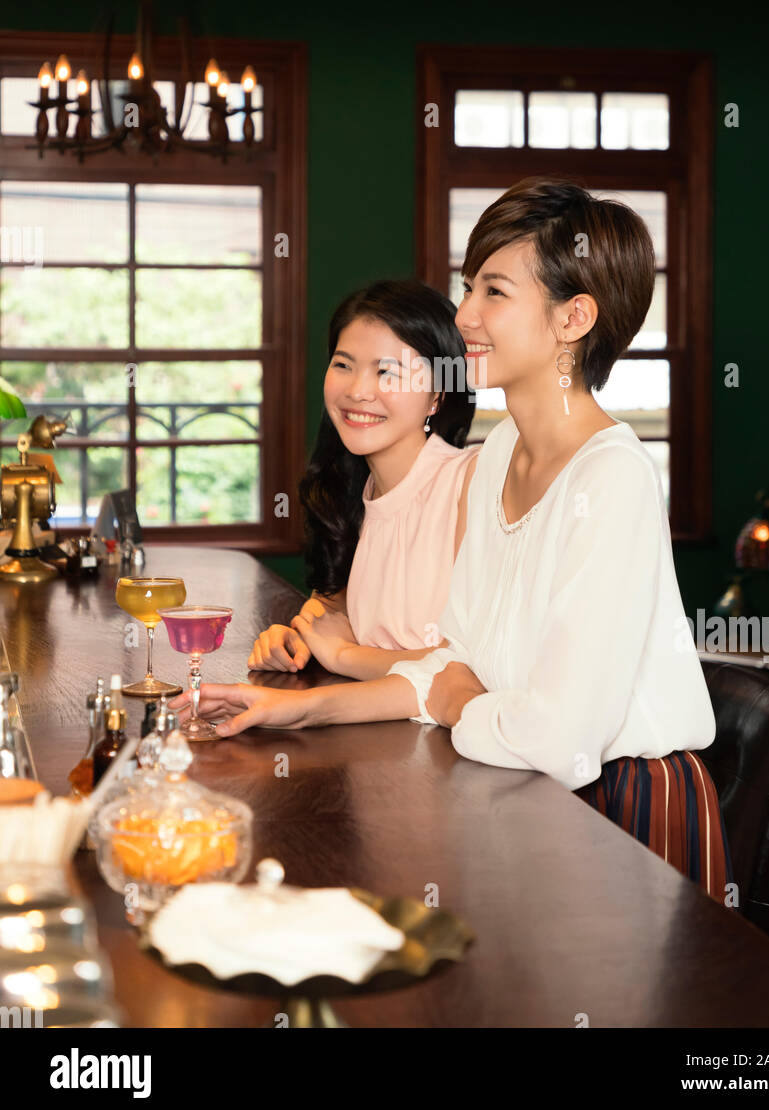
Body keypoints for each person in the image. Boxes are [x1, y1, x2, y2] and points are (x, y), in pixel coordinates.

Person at [176, 179, 734, 905]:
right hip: (519, 786)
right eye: (469, 288)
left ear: (574, 317)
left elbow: (556, 740)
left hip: (622, 812)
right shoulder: (502, 454)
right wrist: (290, 708)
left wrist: (459, 701)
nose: (464, 315)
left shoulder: (613, 478)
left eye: (493, 293)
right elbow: (450, 665)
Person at [247, 280, 479, 679]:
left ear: (437, 395)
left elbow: (467, 669)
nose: (358, 391)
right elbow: (334, 608)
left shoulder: (470, 483)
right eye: (343, 365)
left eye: (387, 371)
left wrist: (342, 656)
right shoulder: (352, 488)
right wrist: (296, 638)